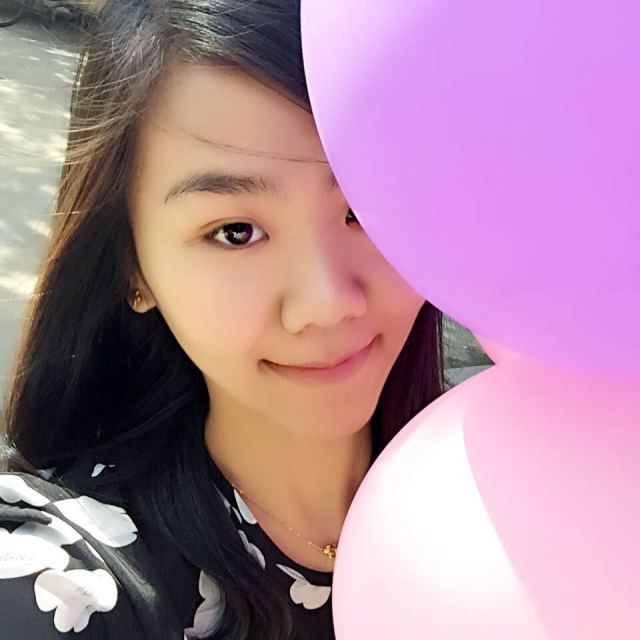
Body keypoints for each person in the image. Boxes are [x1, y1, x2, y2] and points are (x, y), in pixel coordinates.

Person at [0, 0, 444, 638]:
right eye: (236, 231)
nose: (327, 301)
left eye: (363, 207)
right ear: (134, 268)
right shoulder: (77, 582)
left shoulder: (517, 480)